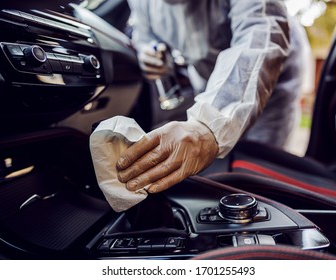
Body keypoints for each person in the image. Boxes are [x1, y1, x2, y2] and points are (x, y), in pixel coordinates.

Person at [117, 0, 310, 194]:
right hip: (208, 77)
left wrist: (207, 127)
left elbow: (259, 35)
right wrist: (147, 52)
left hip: (272, 78)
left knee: (260, 164)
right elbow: (144, 35)